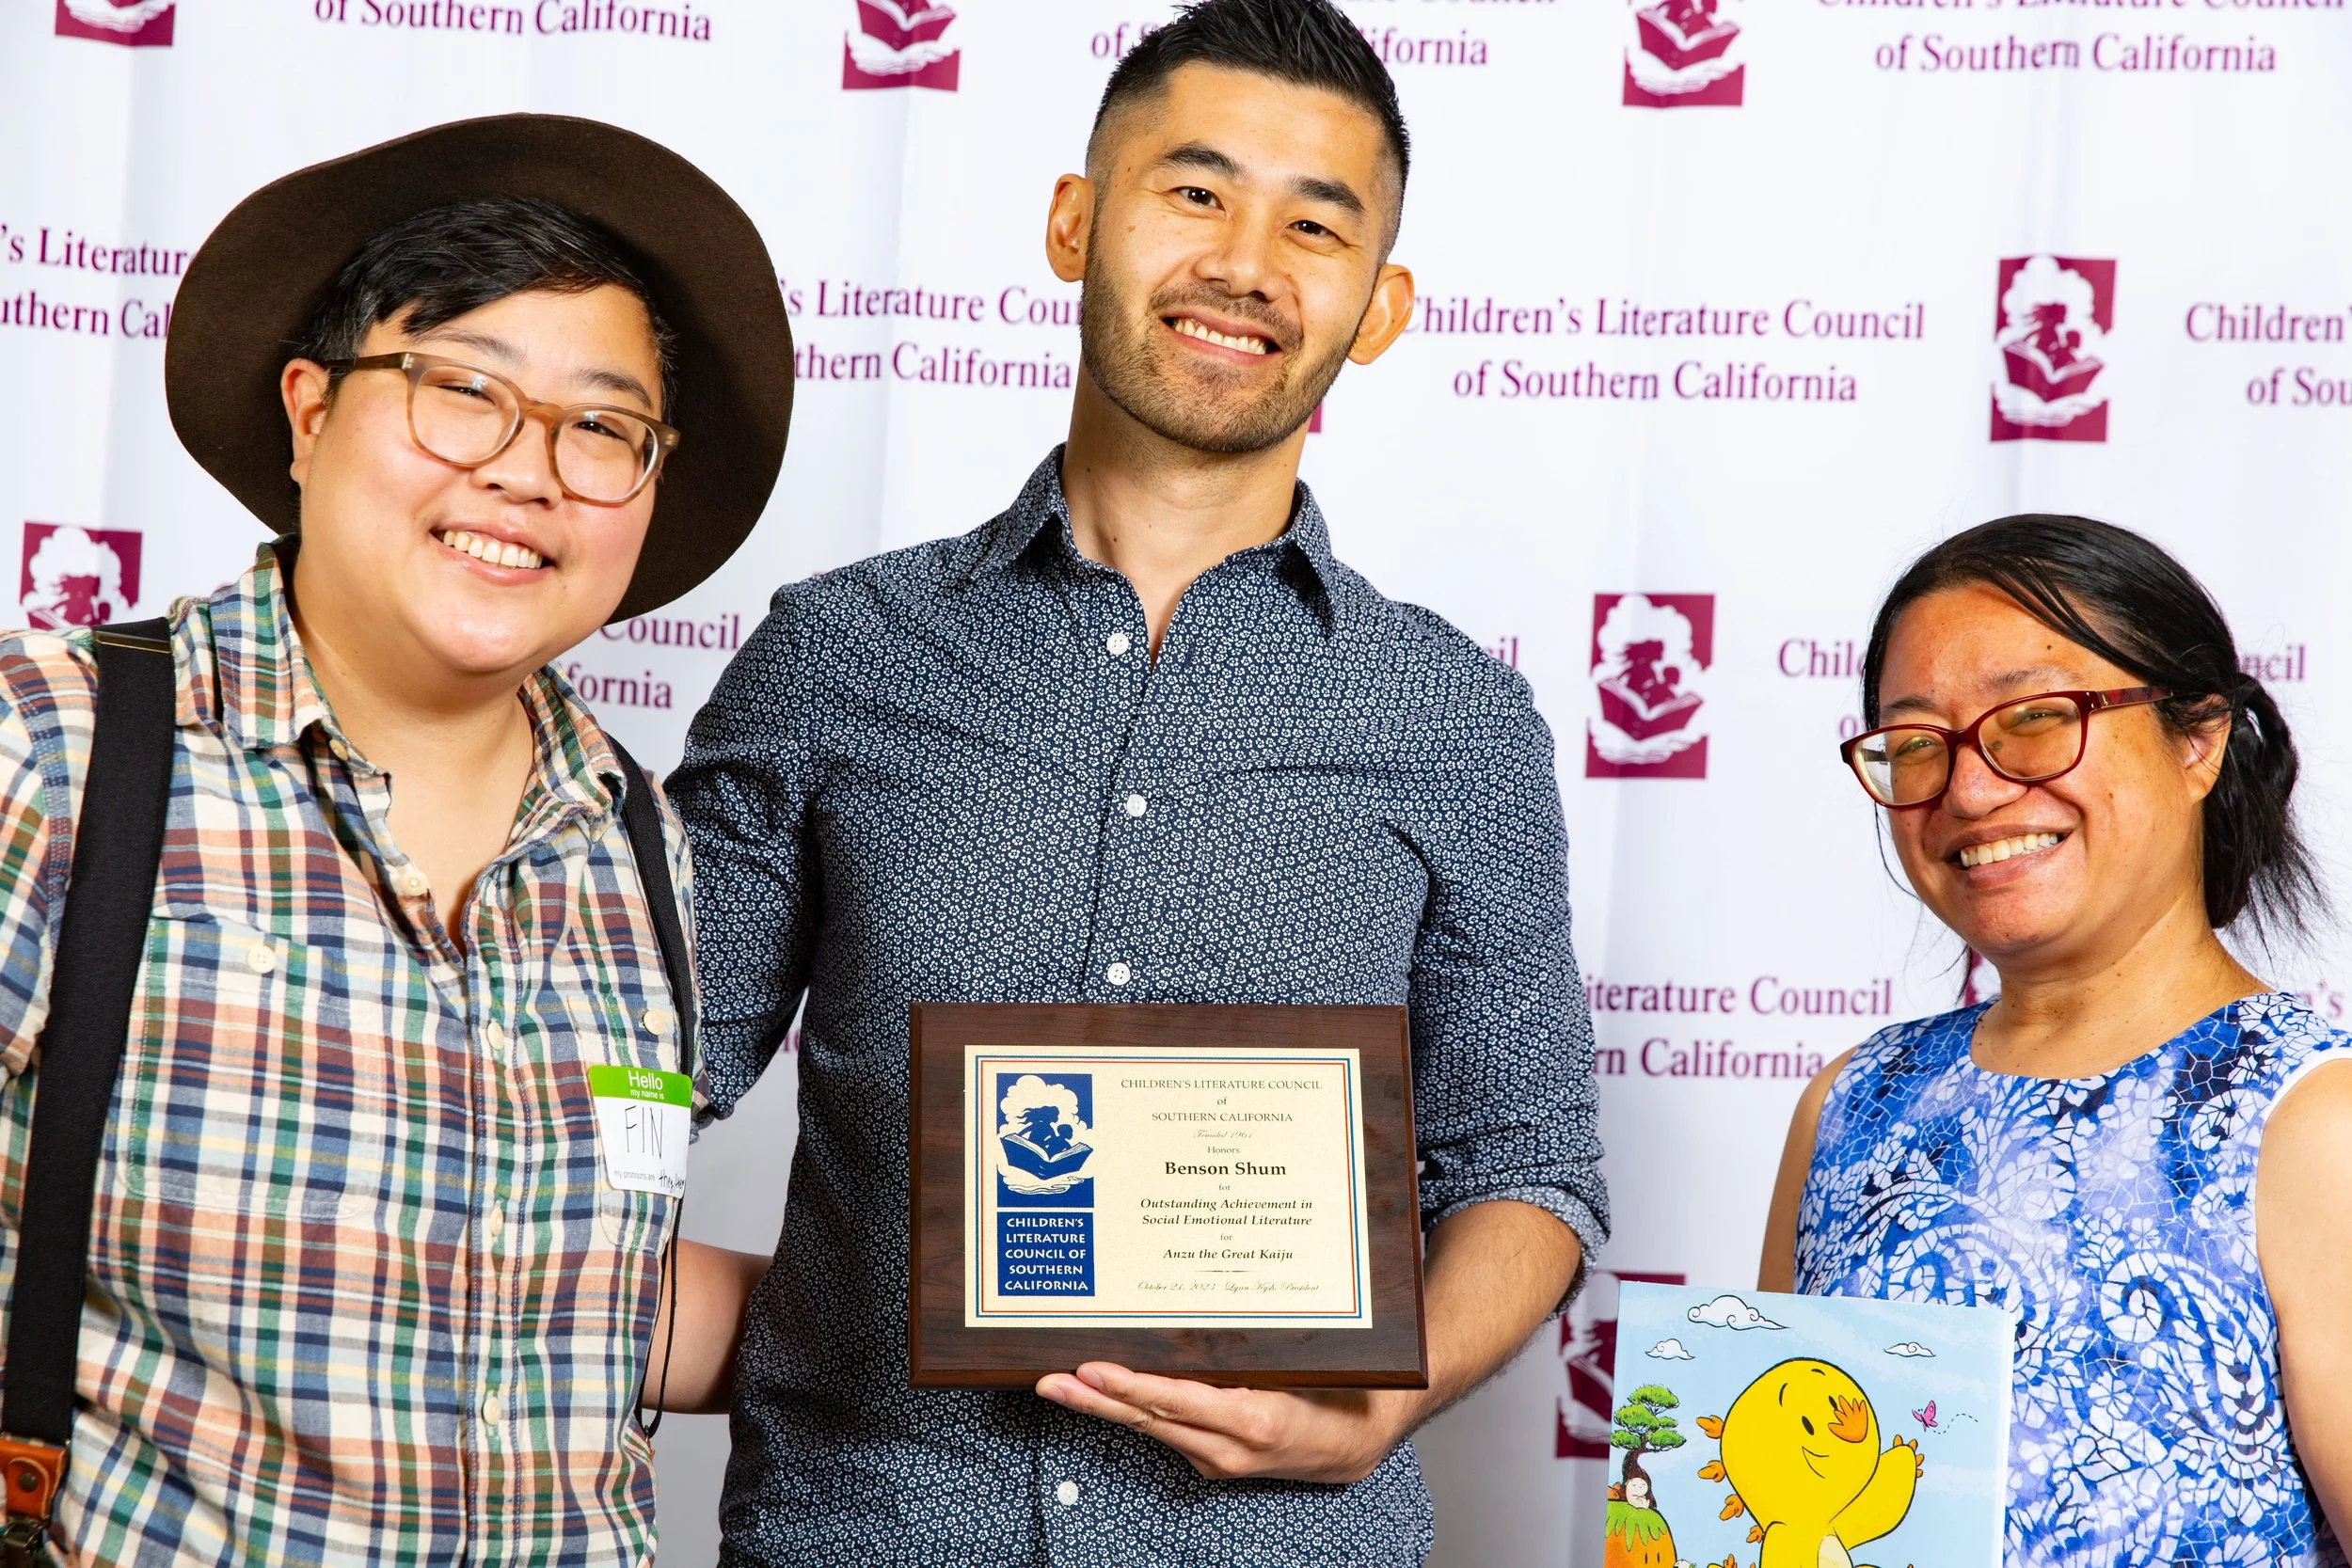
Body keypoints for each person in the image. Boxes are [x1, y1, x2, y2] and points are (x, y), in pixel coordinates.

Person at [668, 2, 1609, 1563]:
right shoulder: (837, 653)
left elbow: (1528, 1169)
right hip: (869, 1528)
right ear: (1074, 223)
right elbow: (642, 1065)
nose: (1245, 263)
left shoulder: (1456, 717)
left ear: (1380, 308)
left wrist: (1384, 1401)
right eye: (1195, 191)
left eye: (1316, 225)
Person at [0, 117, 790, 1563]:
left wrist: (1014, 1300)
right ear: (309, 412)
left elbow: (578, 1296)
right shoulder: (56, 750)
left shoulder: (639, 847)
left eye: (601, 427)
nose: (526, 471)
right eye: (461, 389)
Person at [1759, 515, 2351, 1566]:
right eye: (1916, 743)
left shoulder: (2311, 1118)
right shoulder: (1850, 1102)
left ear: (2197, 738)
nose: (1971, 789)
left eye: (2035, 719)